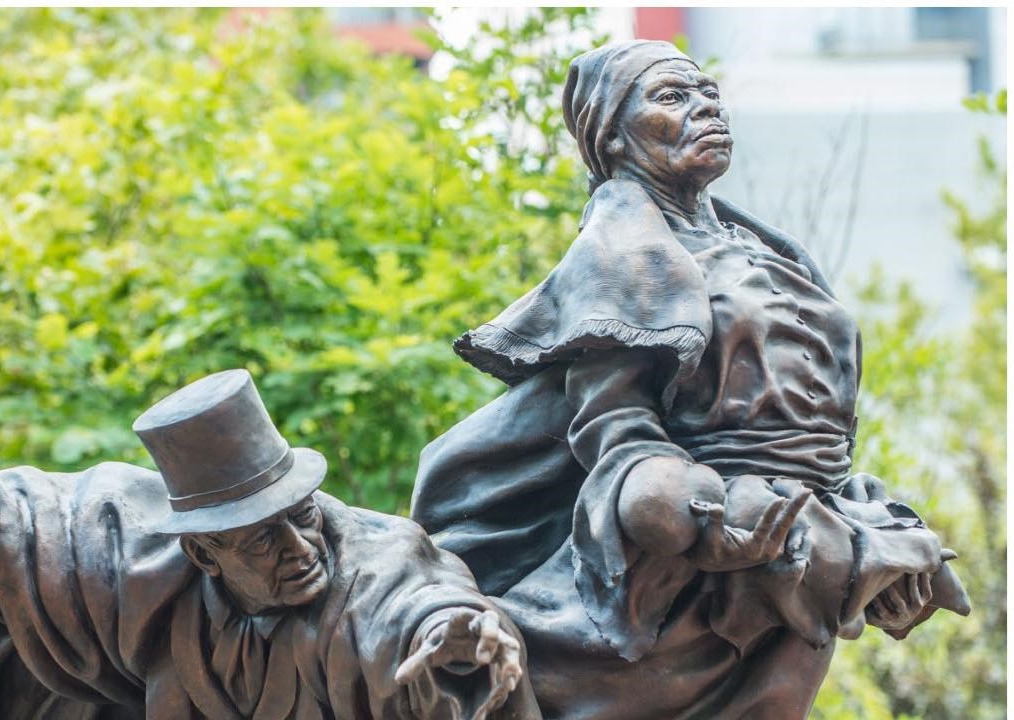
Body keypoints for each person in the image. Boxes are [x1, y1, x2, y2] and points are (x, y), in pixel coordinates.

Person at [411, 40, 969, 719]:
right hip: (690, 589)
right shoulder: (620, 256)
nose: (706, 106)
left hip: (797, 575)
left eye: (709, 93)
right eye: (672, 97)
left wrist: (872, 545)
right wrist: (695, 507)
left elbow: (814, 428)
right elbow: (618, 434)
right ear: (612, 136)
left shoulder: (768, 251)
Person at [0, 369, 538, 720]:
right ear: (203, 553)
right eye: (261, 538)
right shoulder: (127, 554)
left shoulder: (367, 554)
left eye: (302, 514)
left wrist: (459, 638)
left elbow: (422, 602)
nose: (301, 546)